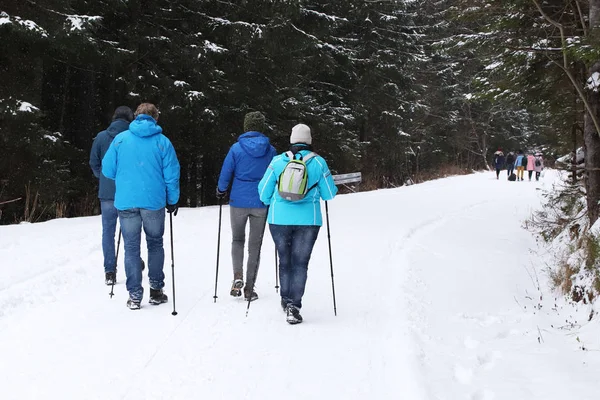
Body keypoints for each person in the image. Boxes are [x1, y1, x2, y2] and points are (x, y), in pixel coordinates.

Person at [102, 103, 180, 310]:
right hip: (153, 201)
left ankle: (134, 295)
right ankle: (156, 290)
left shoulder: (120, 140)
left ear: (136, 117)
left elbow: (108, 170)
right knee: (155, 243)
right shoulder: (163, 142)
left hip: (127, 201)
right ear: (155, 118)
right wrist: (172, 200)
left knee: (131, 247)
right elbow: (172, 175)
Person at [258, 123, 338, 324]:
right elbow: (329, 194)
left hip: (279, 220)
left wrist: (275, 201)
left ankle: (285, 299)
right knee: (301, 263)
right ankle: (294, 306)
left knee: (285, 260)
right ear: (309, 141)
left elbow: (263, 192)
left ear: (292, 139)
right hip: (308, 220)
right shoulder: (319, 163)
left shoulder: (277, 162)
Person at [216, 111, 277, 302]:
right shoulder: (271, 150)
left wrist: (221, 190)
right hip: (261, 201)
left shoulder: (236, 149)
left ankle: (237, 276)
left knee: (237, 240)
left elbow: (226, 172)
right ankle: (250, 288)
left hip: (238, 202)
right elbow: (275, 174)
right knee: (255, 245)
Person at [89, 106, 134, 285]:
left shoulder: (101, 137)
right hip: (129, 192)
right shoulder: (132, 137)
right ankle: (134, 264)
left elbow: (94, 162)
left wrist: (104, 177)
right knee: (130, 232)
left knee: (108, 232)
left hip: (107, 193)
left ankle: (109, 270)